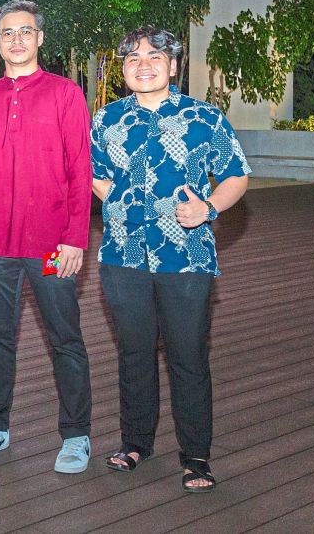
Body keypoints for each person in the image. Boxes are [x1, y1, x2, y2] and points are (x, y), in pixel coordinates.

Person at [90, 26, 250, 495]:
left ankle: (196, 455)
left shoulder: (204, 117)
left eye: (155, 57)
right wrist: (119, 203)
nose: (143, 65)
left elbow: (236, 175)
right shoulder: (106, 119)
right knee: (134, 353)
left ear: (173, 65)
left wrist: (209, 208)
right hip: (123, 255)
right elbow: (95, 175)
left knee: (188, 356)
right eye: (133, 58)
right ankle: (136, 442)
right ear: (123, 69)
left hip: (186, 257)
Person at [0, 0, 94, 474]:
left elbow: (80, 170)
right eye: (7, 33)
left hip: (54, 245)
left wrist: (75, 239)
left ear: (40, 38)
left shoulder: (65, 94)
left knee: (65, 337)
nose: (16, 40)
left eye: (25, 31)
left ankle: (76, 435)